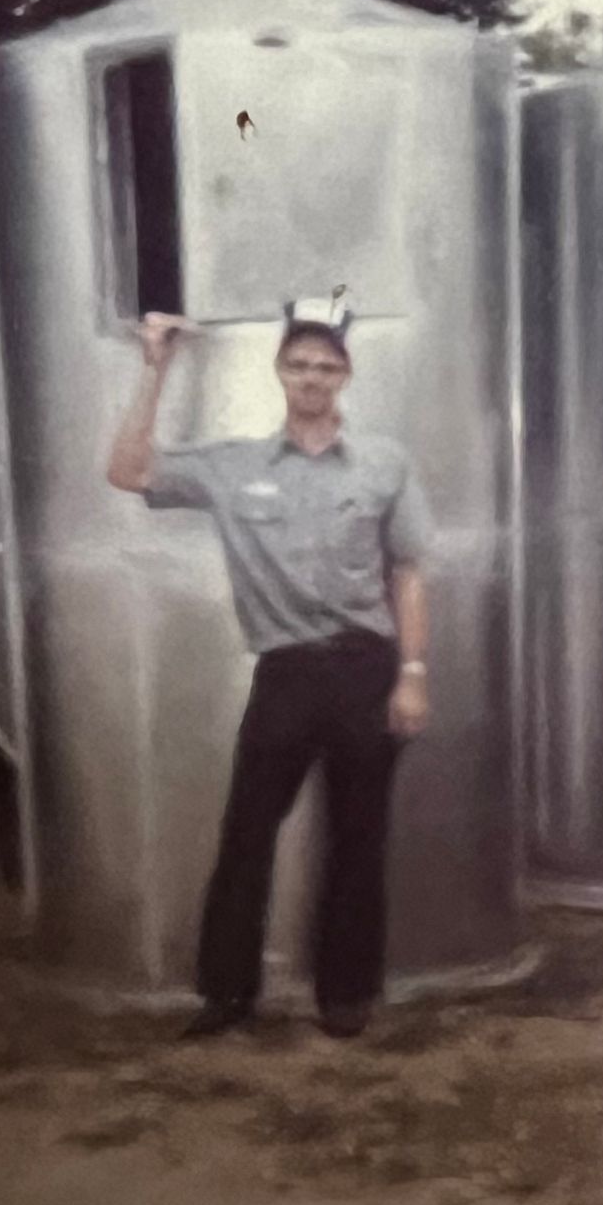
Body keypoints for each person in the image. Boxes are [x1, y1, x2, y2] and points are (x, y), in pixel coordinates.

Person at [106, 298, 433, 1039]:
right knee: (247, 832)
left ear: (344, 375)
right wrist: (154, 369)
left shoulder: (385, 464)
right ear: (280, 372)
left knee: (358, 835)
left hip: (365, 668)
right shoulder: (233, 465)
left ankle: (345, 997)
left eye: (326, 364)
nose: (312, 376)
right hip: (285, 673)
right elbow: (127, 470)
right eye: (299, 364)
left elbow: (409, 570)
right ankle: (226, 995)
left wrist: (412, 672)